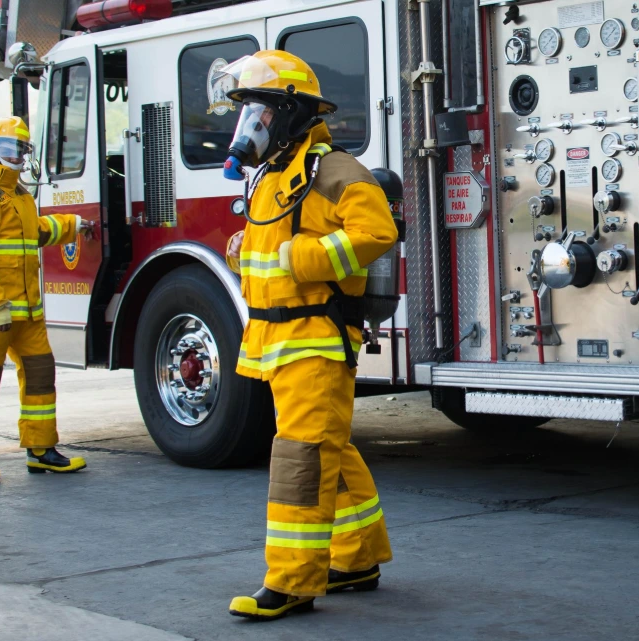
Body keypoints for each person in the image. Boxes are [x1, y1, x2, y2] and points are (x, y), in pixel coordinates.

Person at [220, 51, 397, 621]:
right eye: (247, 113)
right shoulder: (274, 174)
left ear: (291, 113)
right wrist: (246, 250)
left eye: (261, 113)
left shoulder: (335, 170)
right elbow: (274, 248)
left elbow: (377, 231)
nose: (251, 126)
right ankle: (359, 558)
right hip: (278, 342)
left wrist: (309, 257)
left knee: (300, 457)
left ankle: (293, 582)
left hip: (315, 341)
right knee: (329, 449)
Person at [0, 116, 94, 483]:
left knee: (41, 377)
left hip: (27, 312)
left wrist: (75, 225)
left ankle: (42, 450)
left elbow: (37, 234)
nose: (14, 156)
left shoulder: (19, 196)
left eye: (20, 150)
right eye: (7, 149)